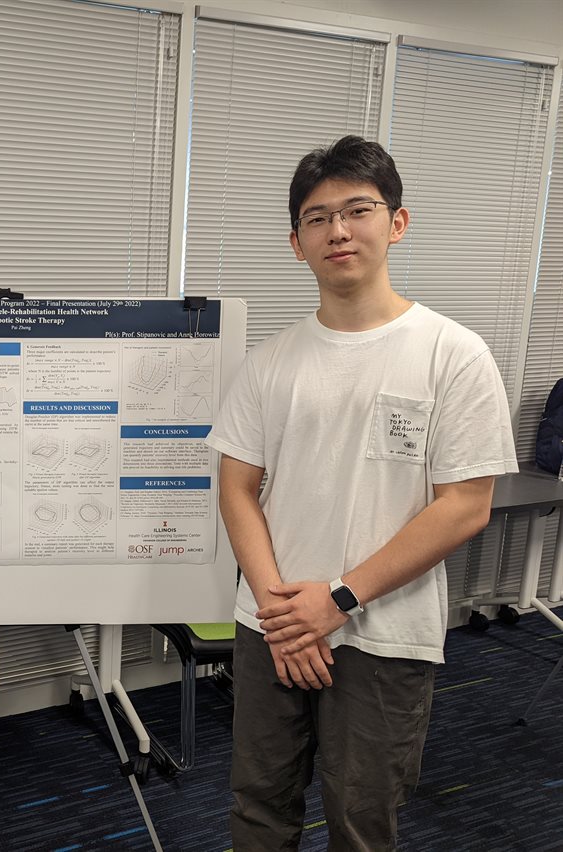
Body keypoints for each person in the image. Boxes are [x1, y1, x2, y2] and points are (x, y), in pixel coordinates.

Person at [205, 136, 517, 850]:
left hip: (380, 632)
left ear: (395, 222)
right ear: (295, 243)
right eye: (317, 218)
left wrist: (336, 599)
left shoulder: (451, 352)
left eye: (356, 210)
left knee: (362, 819)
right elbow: (236, 487)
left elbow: (464, 504)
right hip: (271, 628)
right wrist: (283, 613)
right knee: (257, 807)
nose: (337, 231)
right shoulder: (269, 362)